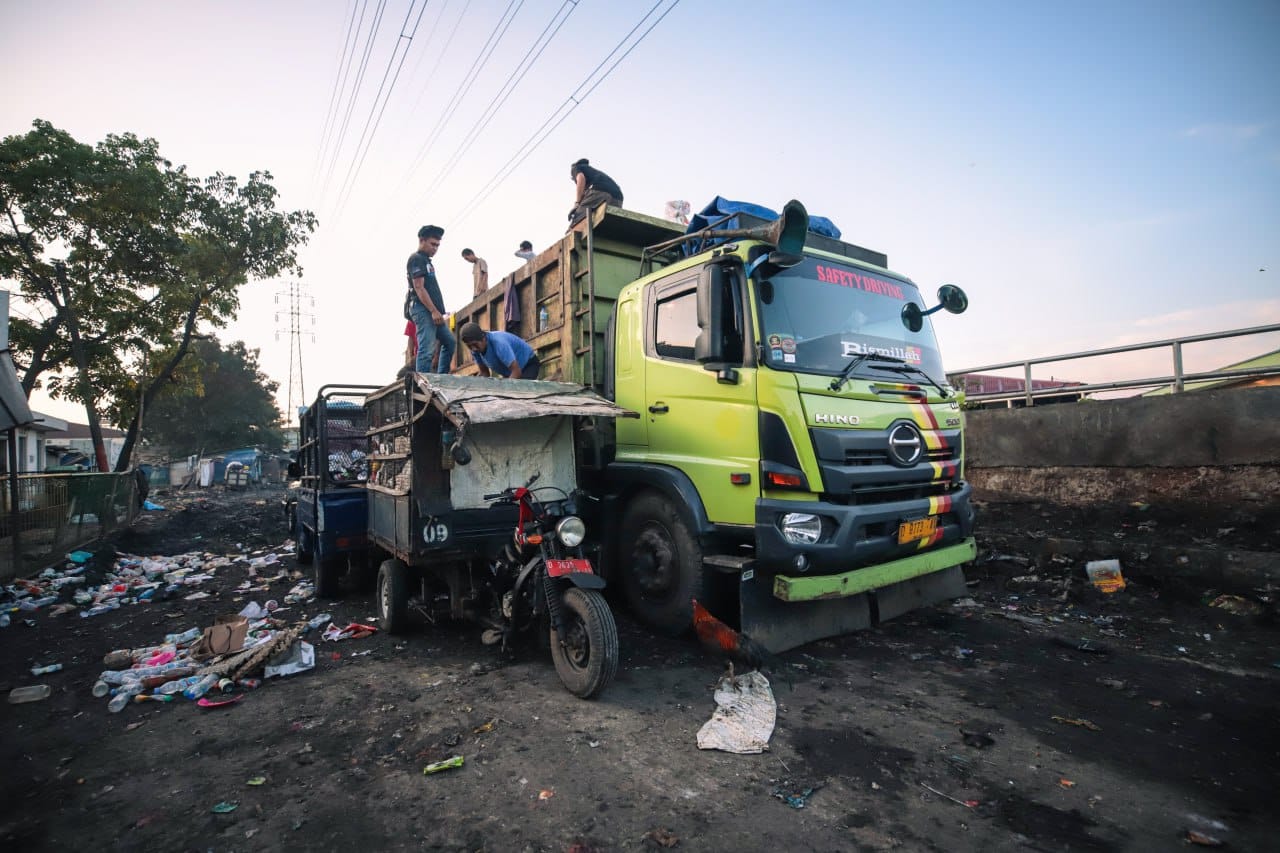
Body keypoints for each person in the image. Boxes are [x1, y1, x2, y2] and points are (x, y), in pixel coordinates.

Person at [406, 225, 455, 373]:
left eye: (437, 245)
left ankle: (441, 378)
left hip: (432, 310)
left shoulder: (426, 261)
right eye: (433, 244)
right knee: (427, 349)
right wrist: (433, 311)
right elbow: (419, 287)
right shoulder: (416, 259)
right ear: (422, 240)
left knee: (450, 342)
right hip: (423, 309)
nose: (435, 248)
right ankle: (422, 384)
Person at [459, 322, 540, 380]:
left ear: (483, 338)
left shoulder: (499, 343)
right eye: (469, 346)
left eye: (475, 344)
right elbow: (485, 373)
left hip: (528, 365)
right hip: (509, 373)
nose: (473, 349)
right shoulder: (475, 351)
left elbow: (516, 371)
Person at [568, 158, 623, 228]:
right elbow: (586, 195)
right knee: (605, 225)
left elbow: (581, 178)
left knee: (577, 219)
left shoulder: (575, 168)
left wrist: (577, 204)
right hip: (618, 197)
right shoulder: (594, 173)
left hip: (601, 191)